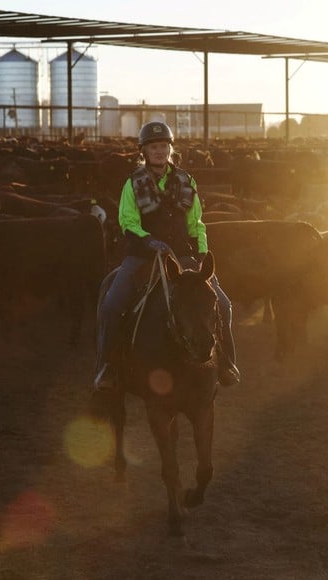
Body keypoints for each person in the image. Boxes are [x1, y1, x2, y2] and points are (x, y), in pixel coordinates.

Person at [92, 121, 240, 397]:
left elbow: (196, 221)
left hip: (183, 255)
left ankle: (227, 364)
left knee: (223, 303)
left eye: (163, 146)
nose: (159, 151)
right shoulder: (133, 183)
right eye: (153, 147)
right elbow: (127, 221)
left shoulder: (186, 180)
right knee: (111, 305)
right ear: (144, 152)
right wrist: (149, 241)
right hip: (143, 254)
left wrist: (202, 253)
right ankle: (106, 368)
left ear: (171, 149)